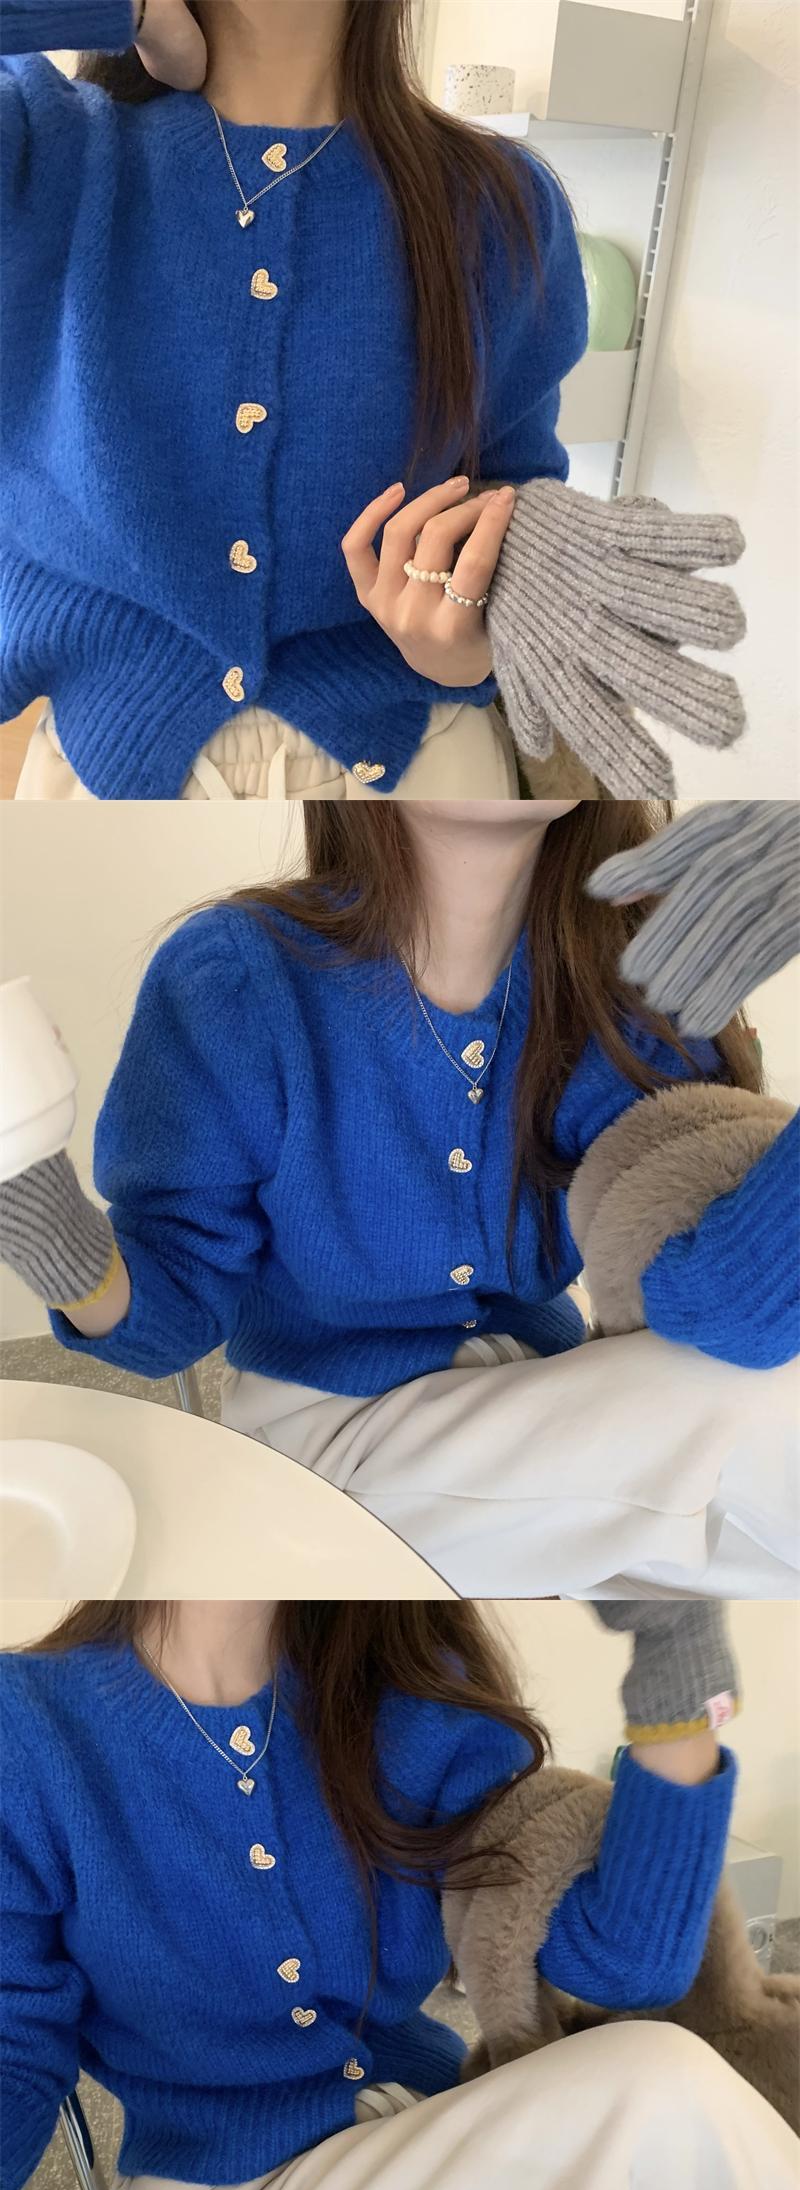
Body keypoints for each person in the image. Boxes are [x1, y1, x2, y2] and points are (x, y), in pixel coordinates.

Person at [2, 1594, 797, 2190]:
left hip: (454, 2156)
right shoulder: (28, 1726)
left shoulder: (403, 1688)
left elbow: (629, 1965)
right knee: (654, 2081)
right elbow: (13, 2049)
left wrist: (677, 1642)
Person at [0, 798, 796, 1595]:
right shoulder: (238, 979)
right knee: (753, 1430)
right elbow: (169, 1319)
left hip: (555, 1403)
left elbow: (731, 1308)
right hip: (330, 1441)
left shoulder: (635, 989)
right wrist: (39, 1215)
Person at [1, 0, 590, 799]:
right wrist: (128, 10)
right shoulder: (43, 151)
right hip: (103, 784)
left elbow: (517, 498)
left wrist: (476, 642)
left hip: (425, 771)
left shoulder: (496, 200)